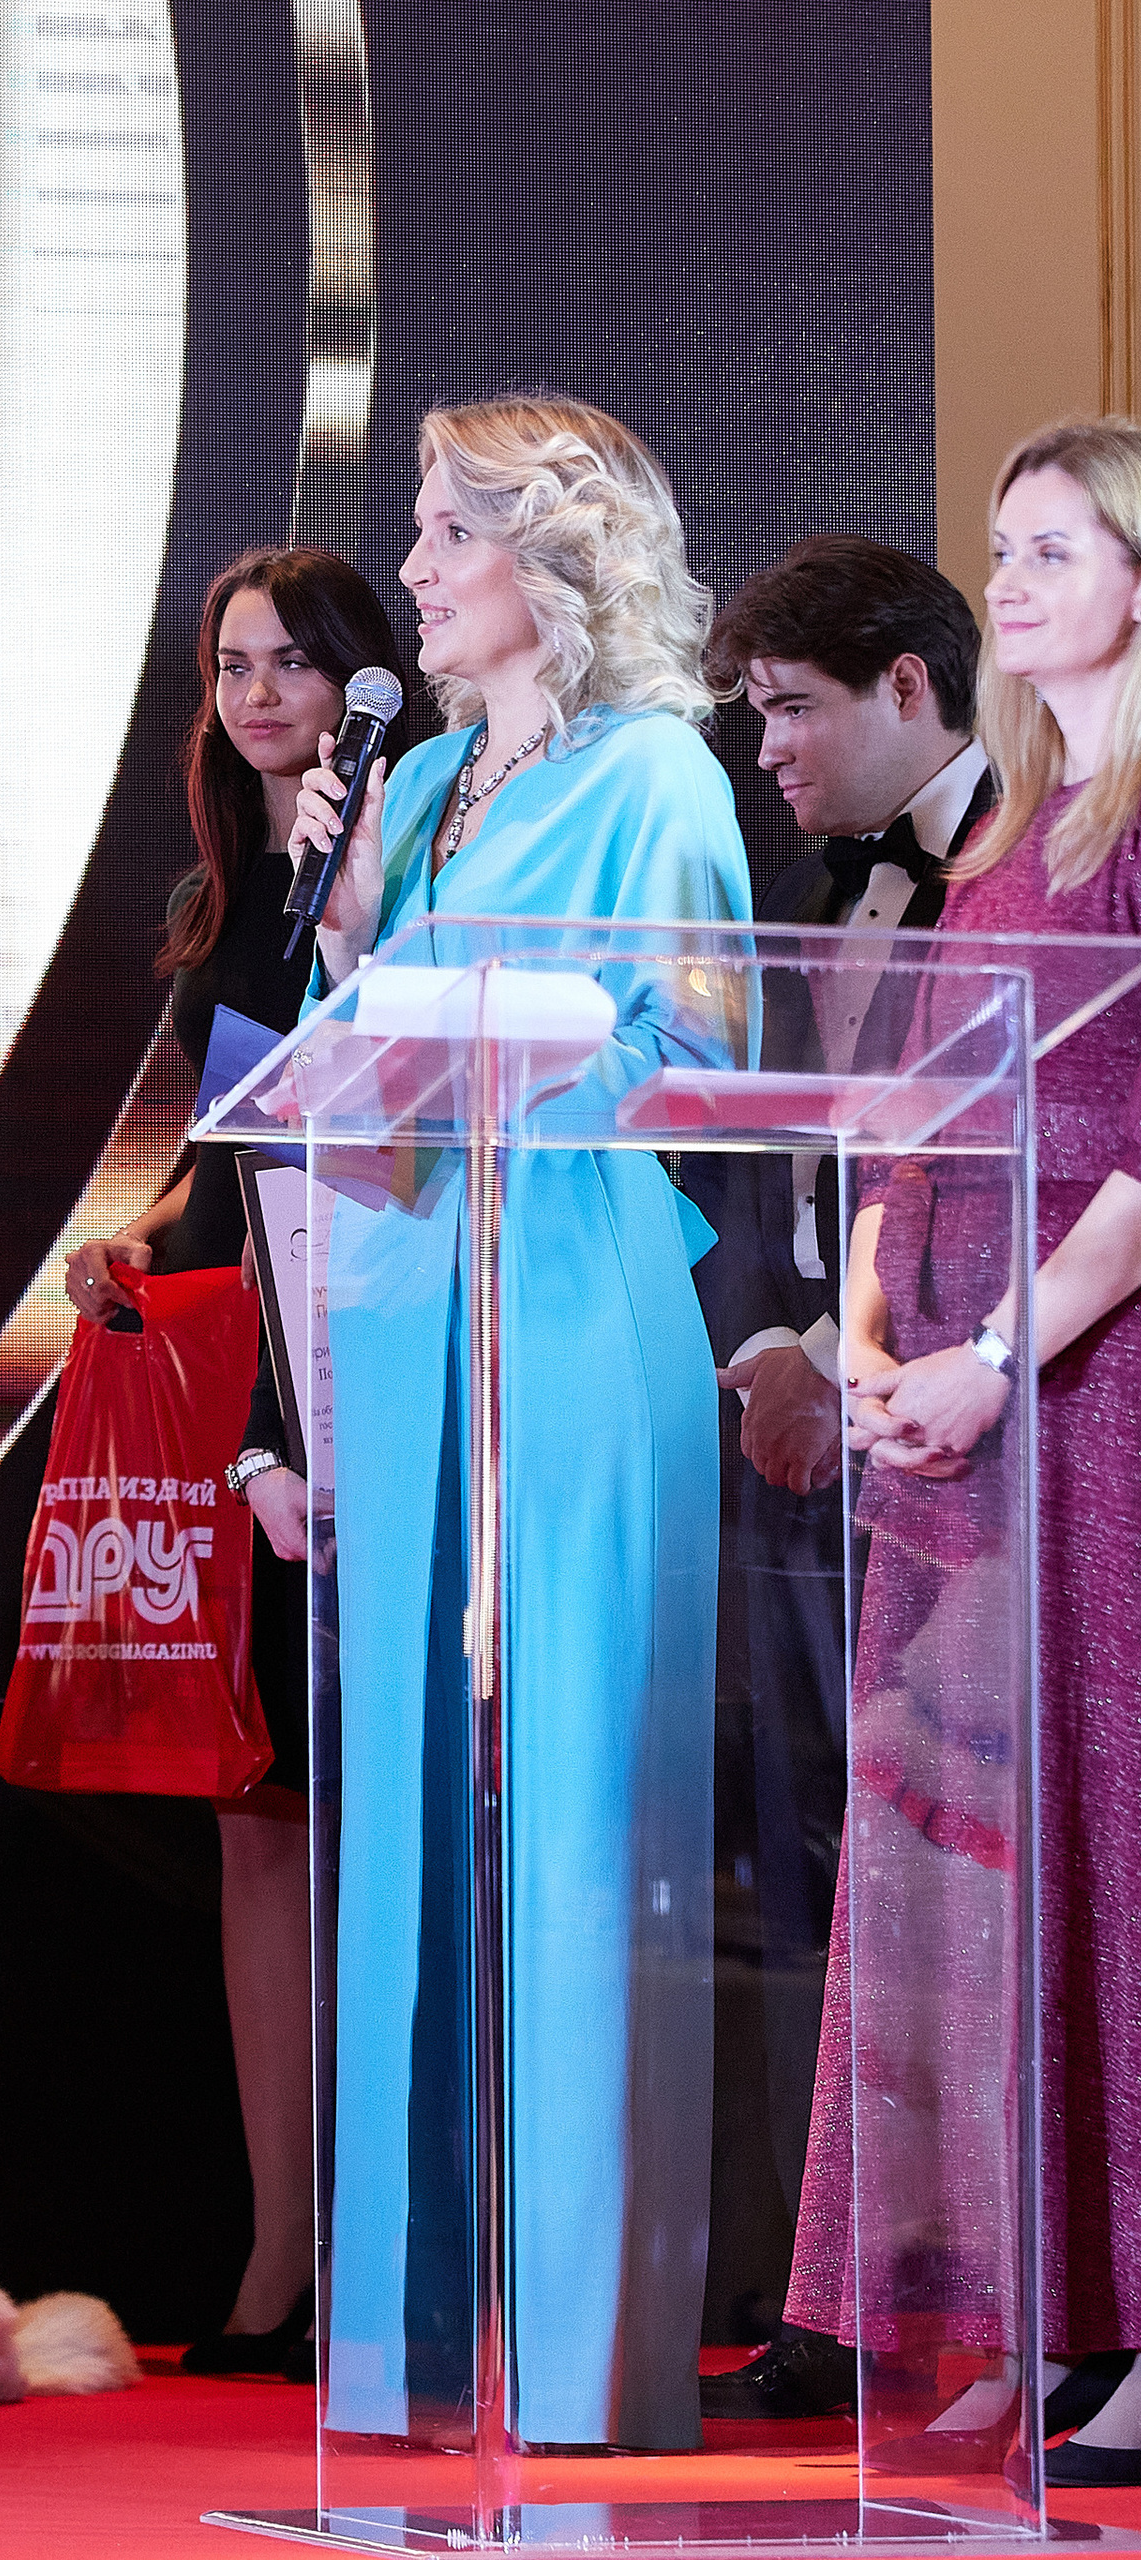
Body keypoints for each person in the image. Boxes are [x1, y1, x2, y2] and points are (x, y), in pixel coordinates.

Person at [263, 395, 750, 2450]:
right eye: (424, 526)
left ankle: (578, 2350)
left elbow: (701, 1057)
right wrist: (346, 946)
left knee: (569, 1806)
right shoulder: (419, 780)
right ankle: (406, 2341)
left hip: (565, 1292)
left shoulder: (658, 774)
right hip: (404, 1309)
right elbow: (337, 1056)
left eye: (450, 528)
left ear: (559, 557)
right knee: (403, 1808)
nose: (416, 565)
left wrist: (495, 1068)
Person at [781, 417, 1141, 2481]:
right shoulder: (1005, 838)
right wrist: (863, 1340)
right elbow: (908, 1126)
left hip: (1089, 1393)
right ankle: (1035, 2301)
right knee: (988, 1872)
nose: (1006, 577)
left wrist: (999, 1349)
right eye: (999, 545)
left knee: (1112, 1842)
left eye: (1053, 546)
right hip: (956, 1418)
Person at [60, 545, 412, 2378]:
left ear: (364, 681)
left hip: (381, 1348)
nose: (260, 694)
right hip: (241, 1373)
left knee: (385, 1813)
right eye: (233, 664)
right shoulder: (221, 898)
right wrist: (139, 1239)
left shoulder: (409, 861)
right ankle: (281, 2252)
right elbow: (234, 1142)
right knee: (255, 1820)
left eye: (294, 662)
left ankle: (401, 2244)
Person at [687, 539, 993, 2423]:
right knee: (828, 1864)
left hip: (991, 1433)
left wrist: (857, 1351)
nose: (769, 750)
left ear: (908, 686)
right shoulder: (815, 891)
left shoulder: (1035, 870)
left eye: (793, 708)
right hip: (819, 1427)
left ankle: (1008, 2305)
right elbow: (788, 1165)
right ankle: (847, 2297)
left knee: (971, 1878)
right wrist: (783, 1349)